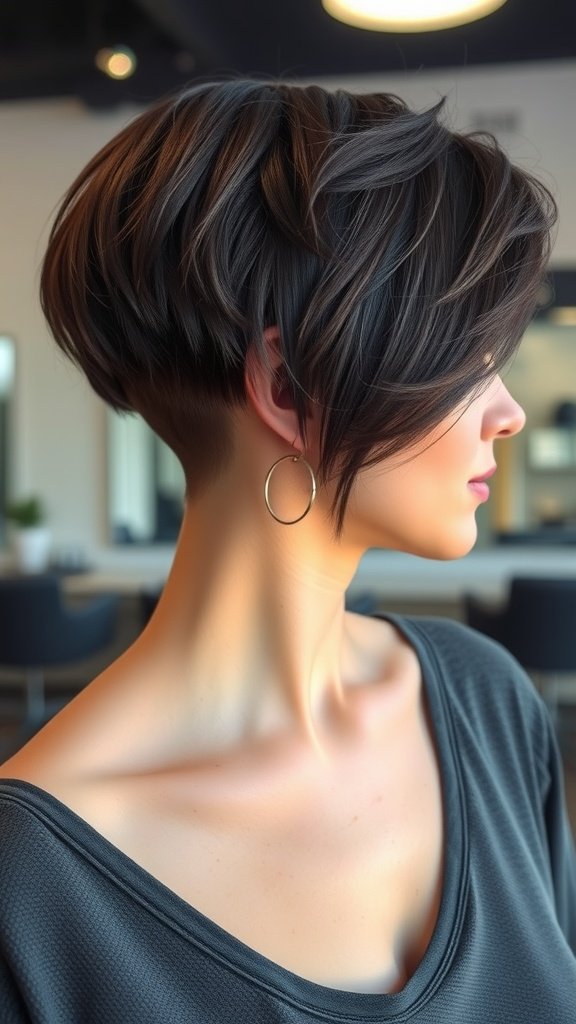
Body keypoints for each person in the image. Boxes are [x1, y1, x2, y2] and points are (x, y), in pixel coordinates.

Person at [0, 78, 574, 1022]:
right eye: (467, 359)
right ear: (292, 387)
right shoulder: (32, 891)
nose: (507, 413)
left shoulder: (486, 703)